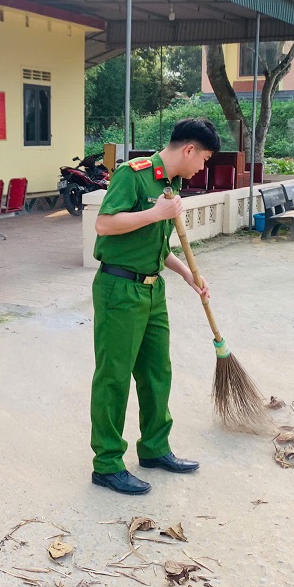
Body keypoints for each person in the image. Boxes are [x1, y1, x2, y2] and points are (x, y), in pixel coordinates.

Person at [90, 117, 220, 496]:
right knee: (113, 377)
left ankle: (154, 448)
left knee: (156, 372)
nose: (203, 167)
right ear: (189, 149)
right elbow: (104, 224)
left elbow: (157, 246)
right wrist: (154, 214)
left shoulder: (171, 184)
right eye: (205, 159)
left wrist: (185, 273)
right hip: (119, 288)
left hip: (152, 290)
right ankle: (108, 463)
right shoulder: (134, 175)